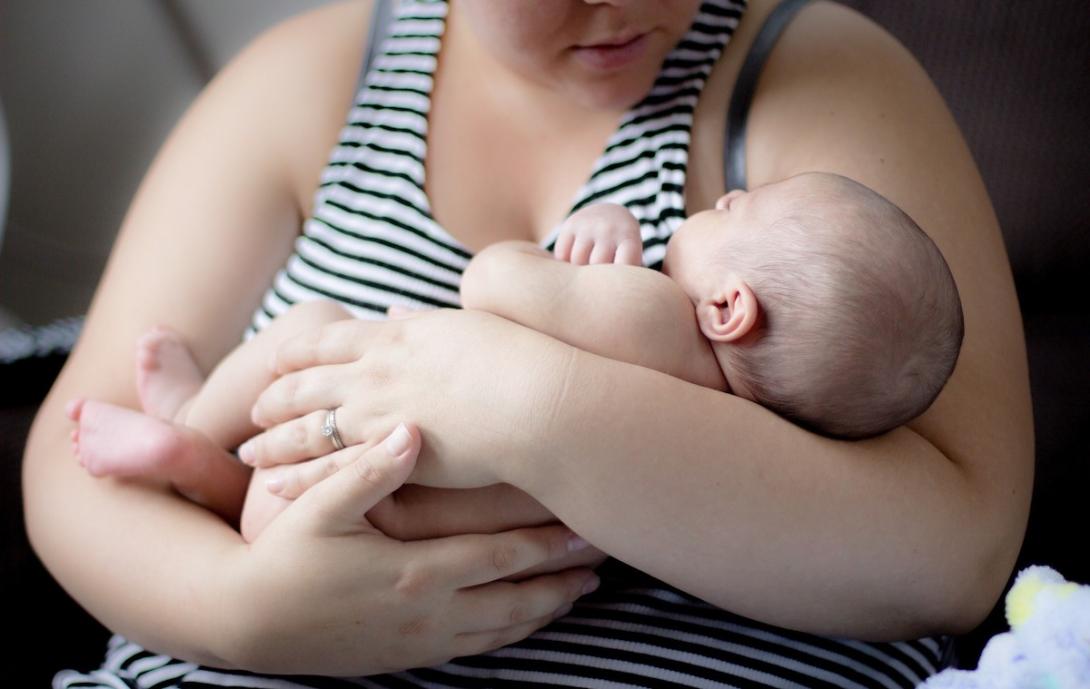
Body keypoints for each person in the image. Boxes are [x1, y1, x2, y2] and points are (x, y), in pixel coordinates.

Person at [25, 0, 1032, 686]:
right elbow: (74, 468)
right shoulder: (304, 81)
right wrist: (246, 610)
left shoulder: (817, 81)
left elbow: (956, 551)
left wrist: (524, 405)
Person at [64, 170, 965, 545]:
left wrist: (582, 237)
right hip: (398, 519)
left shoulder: (656, 312)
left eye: (739, 212)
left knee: (308, 323)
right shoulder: (735, 446)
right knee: (271, 501)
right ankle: (193, 467)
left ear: (729, 309)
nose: (724, 196)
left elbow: (493, 285)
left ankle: (190, 427)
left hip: (354, 434)